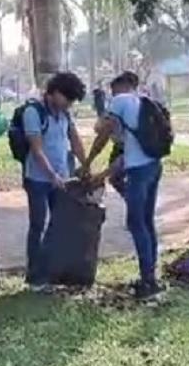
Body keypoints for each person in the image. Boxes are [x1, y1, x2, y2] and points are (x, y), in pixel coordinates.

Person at [83, 71, 163, 301]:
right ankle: (150, 275)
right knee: (146, 221)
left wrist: (89, 162)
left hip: (138, 171)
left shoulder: (120, 101)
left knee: (136, 222)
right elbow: (124, 155)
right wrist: (100, 172)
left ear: (119, 87)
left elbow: (102, 133)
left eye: (112, 90)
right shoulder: (142, 103)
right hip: (153, 166)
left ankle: (149, 282)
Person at [22, 72, 87, 290]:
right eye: (67, 99)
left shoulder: (65, 114)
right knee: (38, 225)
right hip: (38, 179)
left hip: (62, 177)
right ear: (55, 92)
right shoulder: (34, 112)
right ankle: (35, 277)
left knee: (58, 225)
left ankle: (51, 271)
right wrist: (52, 176)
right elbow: (37, 149)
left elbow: (75, 141)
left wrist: (86, 165)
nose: (68, 104)